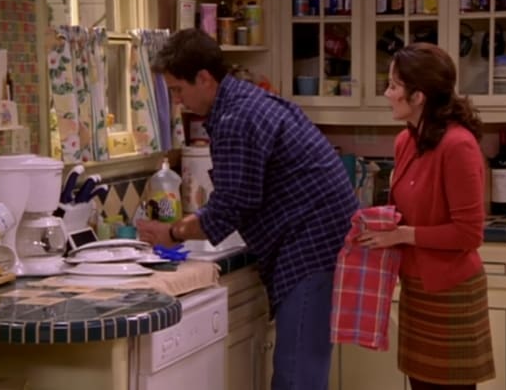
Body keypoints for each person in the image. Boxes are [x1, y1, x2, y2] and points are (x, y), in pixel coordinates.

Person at [136, 28, 358, 390]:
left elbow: (231, 207)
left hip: (311, 247)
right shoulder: (246, 100)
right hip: (322, 239)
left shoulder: (235, 119)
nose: (177, 101)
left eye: (178, 90)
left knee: (296, 377)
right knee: (301, 371)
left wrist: (173, 232)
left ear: (204, 78)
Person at [357, 43, 495, 390]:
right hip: (416, 289)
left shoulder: (458, 145)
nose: (386, 94)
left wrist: (402, 235)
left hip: (452, 292)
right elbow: (405, 210)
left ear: (418, 96)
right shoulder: (406, 141)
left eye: (393, 86)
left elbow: (469, 234)